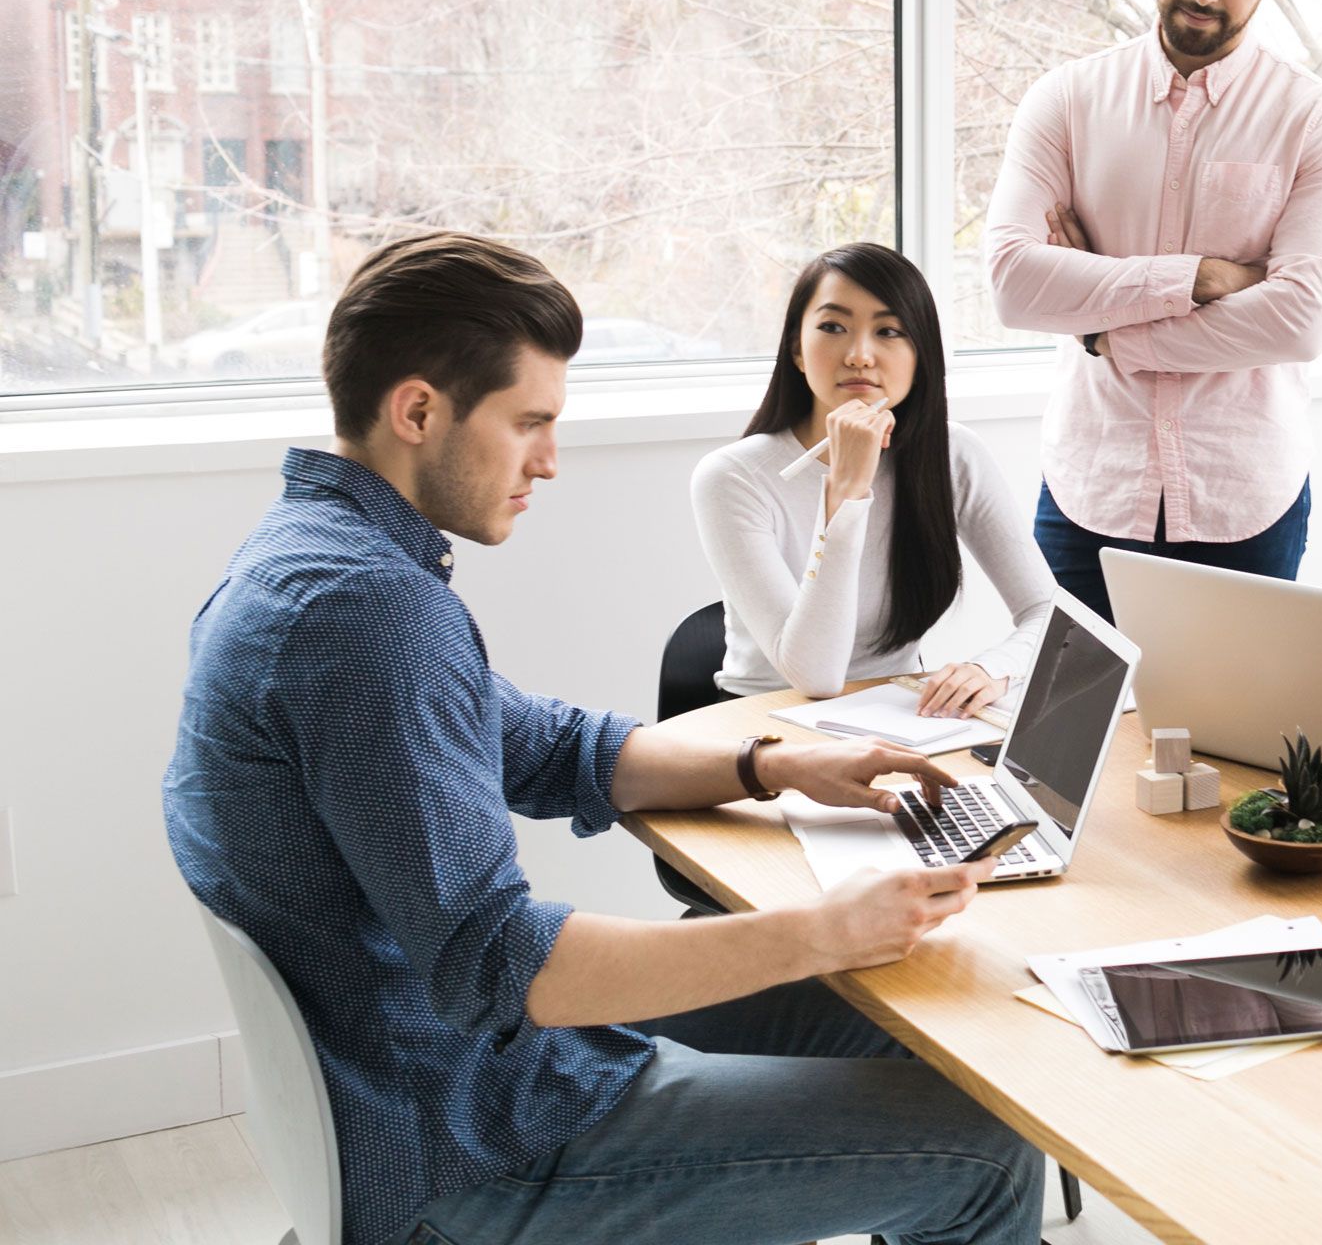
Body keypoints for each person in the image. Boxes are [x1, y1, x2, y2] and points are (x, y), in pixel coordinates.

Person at [163, 233, 1044, 1245]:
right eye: (529, 422)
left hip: (443, 1070)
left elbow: (543, 747)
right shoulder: (367, 613)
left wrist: (772, 763)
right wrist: (820, 929)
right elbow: (500, 966)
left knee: (888, 1005)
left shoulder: (310, 560)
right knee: (987, 1146)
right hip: (471, 1137)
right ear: (417, 411)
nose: (549, 458)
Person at [986, 0, 1322, 621]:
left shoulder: (1318, 123)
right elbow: (1011, 282)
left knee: (1232, 738)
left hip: (1244, 496)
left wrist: (1104, 331)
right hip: (1089, 490)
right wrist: (1195, 277)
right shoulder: (1064, 101)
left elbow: (1300, 319)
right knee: (1070, 734)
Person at [693, 242, 1052, 714]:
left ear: (920, 355)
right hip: (767, 718)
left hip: (902, 716)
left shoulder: (952, 453)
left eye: (889, 331)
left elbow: (1048, 612)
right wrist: (847, 491)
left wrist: (993, 669)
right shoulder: (732, 477)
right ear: (797, 351)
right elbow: (815, 678)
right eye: (833, 327)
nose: (860, 355)